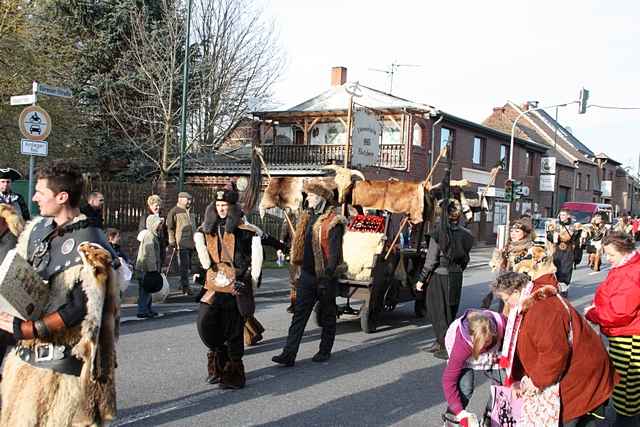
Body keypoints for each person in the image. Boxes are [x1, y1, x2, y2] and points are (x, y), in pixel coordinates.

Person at [0, 160, 120, 426]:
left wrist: (31, 328)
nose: (34, 197)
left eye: (41, 192)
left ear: (62, 196)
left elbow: (81, 308)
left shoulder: (90, 243)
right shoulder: (37, 229)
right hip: (25, 360)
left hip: (62, 367)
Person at [493, 271, 617, 426]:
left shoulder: (542, 309)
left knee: (573, 418)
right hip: (578, 372)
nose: (507, 306)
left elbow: (553, 355)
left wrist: (535, 381)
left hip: (580, 377)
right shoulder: (534, 299)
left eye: (506, 300)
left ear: (517, 291)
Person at [272, 179, 346, 366]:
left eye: (313, 195)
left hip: (325, 277)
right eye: (309, 195)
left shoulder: (333, 222)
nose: (309, 198)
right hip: (306, 275)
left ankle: (325, 350)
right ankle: (289, 354)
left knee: (327, 315)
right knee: (299, 315)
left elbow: (335, 254)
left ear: (322, 198)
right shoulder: (306, 217)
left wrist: (327, 277)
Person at [194, 185, 258, 389]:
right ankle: (217, 364)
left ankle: (233, 374)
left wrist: (246, 279)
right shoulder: (206, 229)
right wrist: (199, 272)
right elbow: (203, 255)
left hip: (235, 286)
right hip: (213, 284)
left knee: (233, 331)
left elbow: (251, 259)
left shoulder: (245, 232)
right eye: (218, 204)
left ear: (231, 207)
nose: (221, 208)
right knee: (206, 324)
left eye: (225, 205)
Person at [585, 231, 640, 426]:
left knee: (626, 385)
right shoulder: (626, 266)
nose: (608, 259)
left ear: (625, 251)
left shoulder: (631, 272)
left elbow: (620, 312)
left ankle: (626, 422)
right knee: (626, 383)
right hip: (625, 331)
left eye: (611, 254)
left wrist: (593, 313)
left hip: (629, 334)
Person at [415, 199, 474, 360]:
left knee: (438, 312)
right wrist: (457, 270)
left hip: (440, 275)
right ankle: (440, 342)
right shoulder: (466, 234)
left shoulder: (438, 233)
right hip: (456, 275)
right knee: (450, 310)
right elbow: (465, 259)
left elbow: (431, 260)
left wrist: (421, 279)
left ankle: (447, 345)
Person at [442, 309, 506, 427]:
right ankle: (453, 419)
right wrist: (460, 412)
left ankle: (489, 419)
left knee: (503, 385)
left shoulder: (501, 325)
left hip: (494, 351)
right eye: (480, 345)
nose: (482, 349)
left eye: (486, 343)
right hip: (465, 350)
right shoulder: (461, 345)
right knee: (465, 387)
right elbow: (448, 381)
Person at [547, 209, 581, 297]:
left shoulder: (573, 227)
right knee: (556, 269)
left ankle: (564, 289)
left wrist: (577, 234)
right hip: (557, 250)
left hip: (568, 250)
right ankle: (556, 287)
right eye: (561, 215)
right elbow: (549, 237)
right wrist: (552, 236)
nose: (561, 217)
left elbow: (576, 240)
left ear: (568, 216)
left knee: (566, 269)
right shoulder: (555, 226)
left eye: (563, 215)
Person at [167, 192, 196, 296]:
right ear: (180, 199)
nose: (189, 201)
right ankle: (185, 288)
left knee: (188, 267)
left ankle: (183, 284)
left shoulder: (190, 211)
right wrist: (172, 241)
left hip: (191, 243)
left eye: (190, 199)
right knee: (184, 266)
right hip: (182, 243)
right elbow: (170, 227)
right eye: (187, 199)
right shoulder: (174, 211)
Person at [135, 215, 164, 318]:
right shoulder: (150, 236)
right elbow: (150, 254)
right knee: (145, 290)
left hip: (145, 268)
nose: (160, 226)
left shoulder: (152, 235)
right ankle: (142, 310)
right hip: (145, 268)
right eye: (159, 224)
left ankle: (147, 308)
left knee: (148, 289)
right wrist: (153, 270)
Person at [138, 194, 168, 265]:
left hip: (161, 246)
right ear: (150, 205)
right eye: (156, 205)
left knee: (159, 266)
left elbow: (165, 231)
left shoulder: (162, 216)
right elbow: (142, 232)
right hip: (151, 247)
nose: (158, 207)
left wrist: (166, 243)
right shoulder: (145, 217)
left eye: (159, 205)